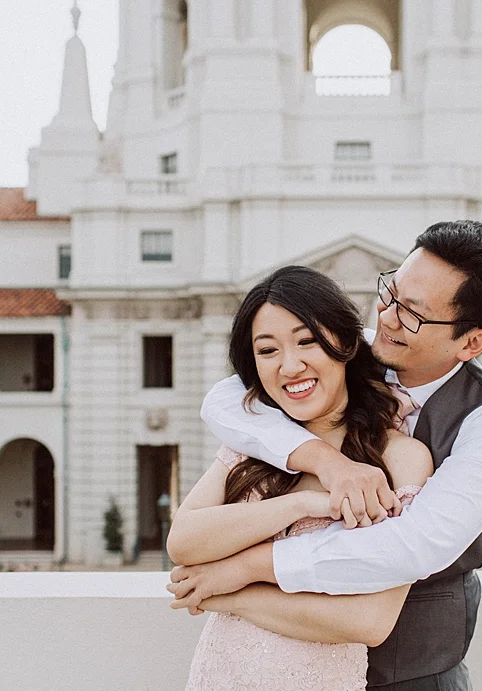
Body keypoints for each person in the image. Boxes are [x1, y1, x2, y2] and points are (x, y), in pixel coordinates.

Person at [169, 220, 482, 690]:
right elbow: (227, 398)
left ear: (472, 342)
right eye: (390, 292)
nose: (386, 317)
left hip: (414, 676)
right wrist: (326, 462)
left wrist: (243, 571)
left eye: (413, 314)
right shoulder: (347, 351)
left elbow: (412, 547)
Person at [168, 265, 434, 691]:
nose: (290, 366)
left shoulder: (400, 459)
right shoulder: (253, 442)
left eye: (307, 341)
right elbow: (183, 540)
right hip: (218, 677)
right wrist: (305, 503)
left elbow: (369, 620)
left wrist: (231, 588)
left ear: (345, 343)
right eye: (268, 351)